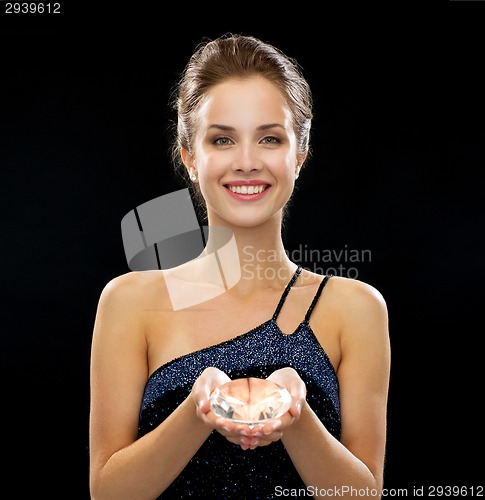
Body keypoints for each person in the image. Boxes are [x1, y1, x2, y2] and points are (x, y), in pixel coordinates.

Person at [89, 33, 391, 499]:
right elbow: (109, 493)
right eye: (222, 139)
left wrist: (295, 415)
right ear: (191, 158)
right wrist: (197, 410)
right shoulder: (129, 302)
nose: (247, 162)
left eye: (270, 138)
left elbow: (366, 496)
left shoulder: (356, 308)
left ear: (299, 156)